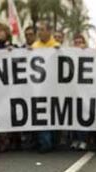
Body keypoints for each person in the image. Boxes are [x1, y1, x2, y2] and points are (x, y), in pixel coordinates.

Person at [32, 20, 60, 153]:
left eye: (42, 29)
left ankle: (54, 141)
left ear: (49, 31)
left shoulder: (56, 46)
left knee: (53, 114)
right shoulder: (34, 46)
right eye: (39, 30)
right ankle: (45, 143)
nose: (40, 32)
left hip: (54, 86)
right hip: (39, 87)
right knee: (42, 114)